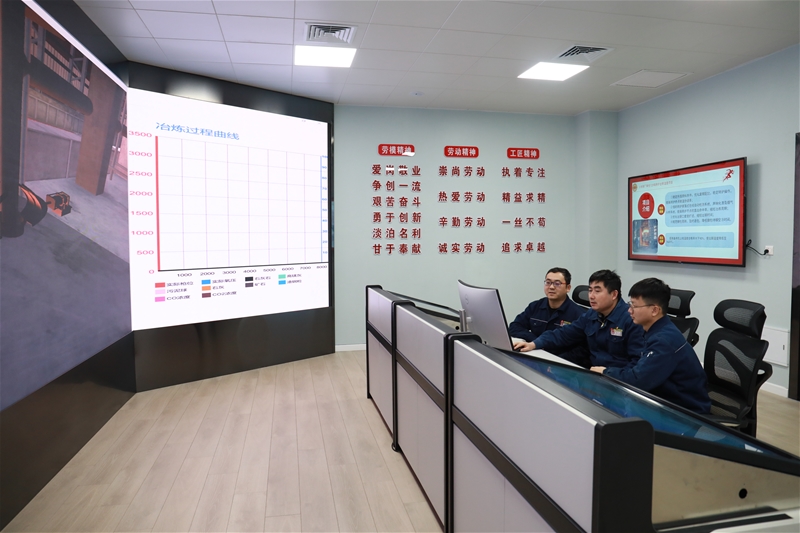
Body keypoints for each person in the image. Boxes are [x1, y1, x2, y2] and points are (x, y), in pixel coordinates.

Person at [591, 278, 711, 414]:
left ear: (654, 310)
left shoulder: (664, 341)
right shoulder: (653, 330)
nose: (629, 310)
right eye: (630, 304)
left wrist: (605, 372)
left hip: (684, 412)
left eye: (634, 306)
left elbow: (638, 381)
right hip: (660, 400)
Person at [513, 269, 644, 369]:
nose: (591, 296)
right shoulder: (591, 315)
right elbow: (564, 334)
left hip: (617, 380)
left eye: (597, 291)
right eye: (590, 290)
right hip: (593, 375)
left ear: (614, 294)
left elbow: (637, 364)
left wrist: (609, 373)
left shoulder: (632, 319)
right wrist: (534, 344)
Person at [508, 267, 586, 345]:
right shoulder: (535, 306)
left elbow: (582, 347)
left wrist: (542, 344)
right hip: (535, 349)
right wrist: (537, 342)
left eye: (557, 283)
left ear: (568, 288)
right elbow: (515, 327)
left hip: (559, 352)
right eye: (548, 282)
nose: (551, 287)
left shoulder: (578, 315)